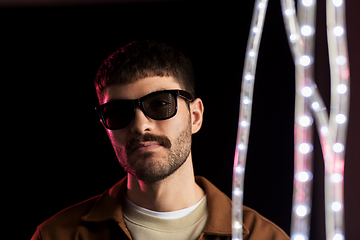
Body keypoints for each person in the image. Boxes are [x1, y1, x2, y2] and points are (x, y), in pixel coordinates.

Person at [31, 40, 290, 240]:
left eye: (160, 104)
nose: (140, 125)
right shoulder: (57, 235)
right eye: (119, 112)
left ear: (195, 116)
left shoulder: (263, 236)